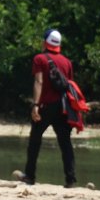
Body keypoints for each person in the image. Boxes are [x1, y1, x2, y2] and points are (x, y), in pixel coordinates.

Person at [13, 28, 77, 189]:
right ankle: (70, 179)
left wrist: (35, 104)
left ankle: (30, 176)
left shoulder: (40, 59)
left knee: (35, 140)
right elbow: (69, 85)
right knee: (65, 143)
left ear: (45, 43)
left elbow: (39, 81)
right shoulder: (67, 62)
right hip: (62, 108)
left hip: (45, 106)